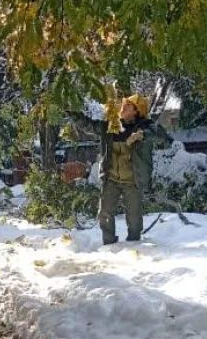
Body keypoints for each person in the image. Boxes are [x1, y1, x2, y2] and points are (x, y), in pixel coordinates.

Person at [71, 95, 170, 245]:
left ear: (136, 111)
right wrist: (72, 113)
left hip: (133, 180)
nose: (123, 107)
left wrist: (142, 135)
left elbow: (162, 136)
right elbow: (88, 125)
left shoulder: (145, 126)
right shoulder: (110, 126)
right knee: (104, 213)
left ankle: (135, 244)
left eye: (129, 105)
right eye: (124, 104)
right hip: (111, 179)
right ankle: (109, 244)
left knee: (134, 217)